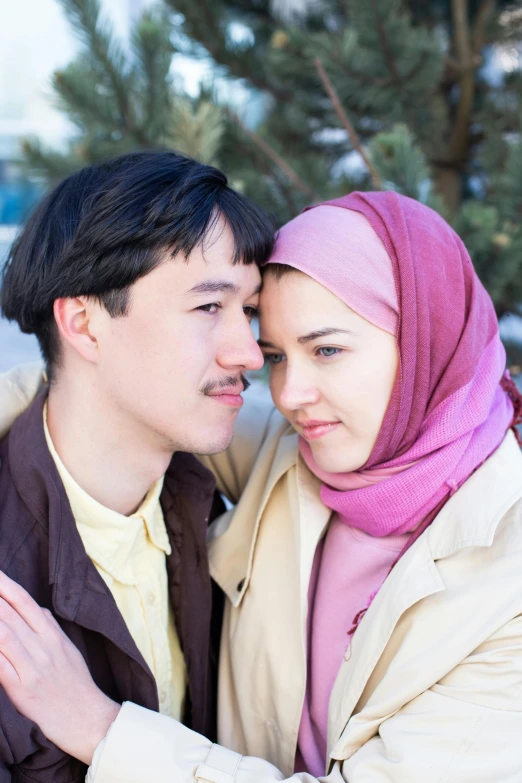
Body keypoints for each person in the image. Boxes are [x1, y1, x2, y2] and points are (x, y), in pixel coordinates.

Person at [1, 191, 522, 783]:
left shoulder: (509, 575)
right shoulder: (302, 448)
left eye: (327, 349)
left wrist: (99, 729)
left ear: (431, 338)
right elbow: (107, 399)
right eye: (276, 355)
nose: (287, 393)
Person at [0, 150, 274, 781]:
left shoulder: (218, 518)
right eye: (209, 306)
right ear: (85, 324)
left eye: (249, 311)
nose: (248, 353)